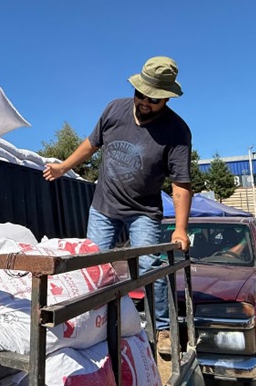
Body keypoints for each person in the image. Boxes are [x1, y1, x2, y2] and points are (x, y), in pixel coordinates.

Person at [42, 56, 193, 356]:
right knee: (92, 264)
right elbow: (91, 144)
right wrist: (63, 167)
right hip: (105, 205)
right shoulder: (114, 110)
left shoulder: (177, 131)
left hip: (144, 211)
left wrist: (180, 228)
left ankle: (162, 328)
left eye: (153, 99)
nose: (145, 101)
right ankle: (90, 322)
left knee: (149, 266)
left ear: (166, 98)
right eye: (141, 94)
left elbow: (180, 183)